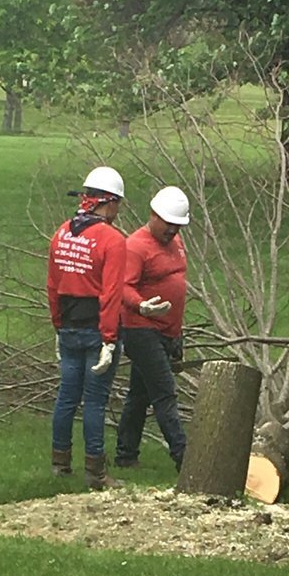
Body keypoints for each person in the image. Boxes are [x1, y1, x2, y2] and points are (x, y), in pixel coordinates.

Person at [47, 165, 126, 490]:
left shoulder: (61, 234)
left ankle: (59, 463)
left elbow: (53, 285)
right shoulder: (112, 240)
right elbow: (111, 295)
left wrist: (57, 326)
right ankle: (96, 473)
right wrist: (109, 339)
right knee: (94, 400)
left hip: (67, 325)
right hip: (97, 328)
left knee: (67, 396)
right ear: (108, 203)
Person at [116, 186, 190, 472]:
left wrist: (176, 336)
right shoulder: (136, 245)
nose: (173, 230)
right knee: (164, 393)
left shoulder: (176, 242)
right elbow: (123, 285)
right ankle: (184, 458)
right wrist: (141, 305)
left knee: (139, 394)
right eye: (169, 223)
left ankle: (126, 454)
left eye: (178, 225)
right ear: (154, 215)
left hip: (167, 331)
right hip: (141, 329)